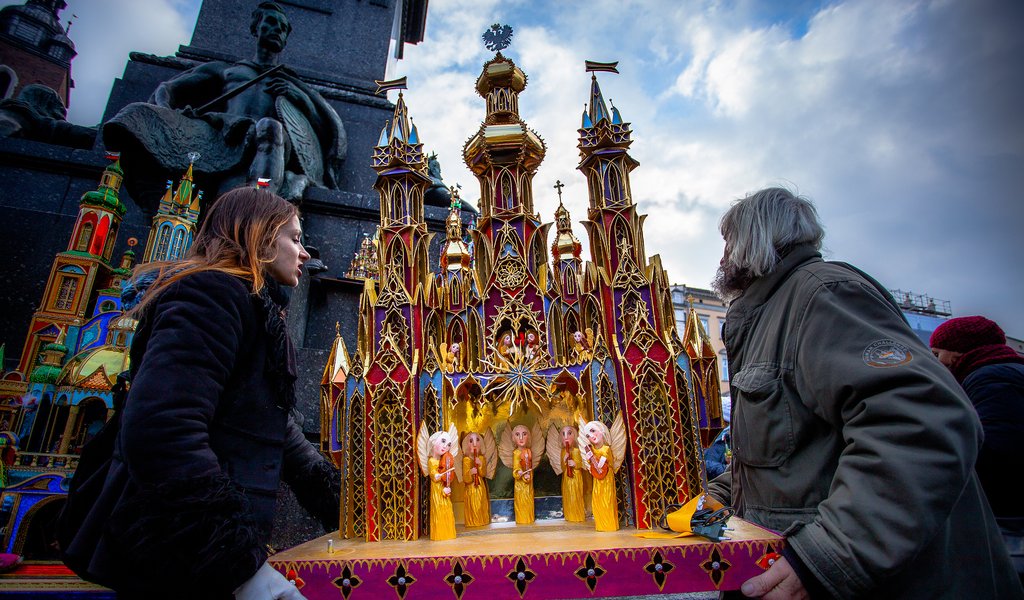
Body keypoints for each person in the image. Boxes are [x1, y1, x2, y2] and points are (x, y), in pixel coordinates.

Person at [707, 187, 1021, 598]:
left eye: (728, 244)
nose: (721, 258)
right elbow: (791, 457)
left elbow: (922, 424)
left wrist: (827, 556)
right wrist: (714, 497)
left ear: (753, 239)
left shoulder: (823, 296)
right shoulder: (770, 313)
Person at [60, 187, 340, 599]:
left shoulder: (253, 308)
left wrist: (342, 501)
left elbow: (273, 427)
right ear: (259, 236)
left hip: (205, 555)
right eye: (295, 238)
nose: (304, 254)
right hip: (178, 555)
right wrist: (240, 567)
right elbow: (164, 428)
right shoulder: (212, 294)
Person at [104, 1, 346, 201]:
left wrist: (298, 97)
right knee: (134, 113)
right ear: (256, 27)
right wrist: (167, 114)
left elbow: (324, 128)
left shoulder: (290, 83)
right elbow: (167, 89)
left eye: (283, 28)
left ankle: (257, 202)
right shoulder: (227, 71)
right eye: (271, 23)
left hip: (269, 140)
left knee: (271, 127)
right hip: (226, 133)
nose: (277, 30)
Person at [929, 316, 1024, 583]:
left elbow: (997, 451)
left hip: (1011, 518)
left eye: (937, 354)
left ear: (958, 351)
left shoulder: (990, 377)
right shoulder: (1005, 370)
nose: (936, 362)